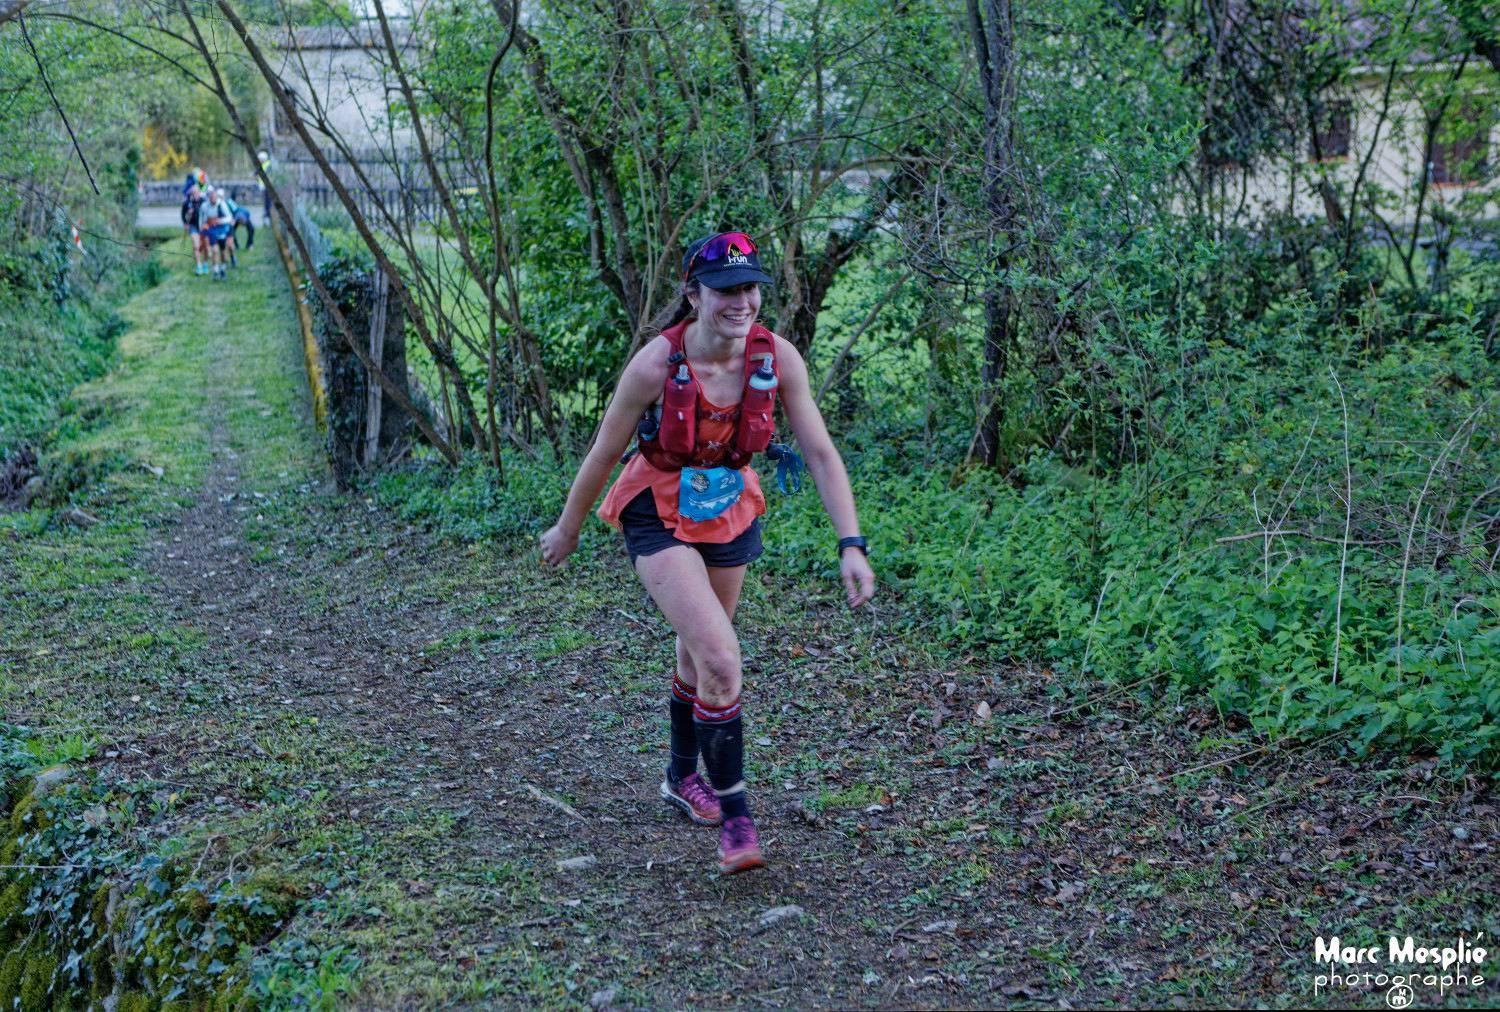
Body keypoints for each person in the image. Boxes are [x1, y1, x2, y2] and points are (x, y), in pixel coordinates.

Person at [539, 231, 875, 875]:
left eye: (749, 288)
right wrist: (569, 528)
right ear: (693, 295)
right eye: (724, 290)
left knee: (701, 653)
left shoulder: (777, 357)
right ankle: (737, 817)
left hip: (727, 506)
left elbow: (822, 454)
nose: (740, 301)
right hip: (656, 506)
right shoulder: (655, 365)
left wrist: (851, 543)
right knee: (722, 657)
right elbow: (605, 452)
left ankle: (677, 777)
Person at [197, 187, 234, 281]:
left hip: (222, 229)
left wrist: (219, 220)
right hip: (212, 230)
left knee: (223, 252)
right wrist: (202, 226)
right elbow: (201, 218)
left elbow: (229, 217)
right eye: (211, 197)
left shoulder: (222, 204)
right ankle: (215, 271)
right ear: (208, 197)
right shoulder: (204, 206)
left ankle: (223, 269)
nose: (213, 199)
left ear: (216, 197)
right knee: (214, 250)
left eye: (214, 197)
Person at [181, 184, 207, 276]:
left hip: (202, 226)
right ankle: (199, 266)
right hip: (192, 226)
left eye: (196, 192)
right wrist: (185, 223)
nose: (194, 194)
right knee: (196, 246)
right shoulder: (187, 202)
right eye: (193, 192)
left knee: (202, 247)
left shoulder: (204, 201)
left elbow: (207, 214)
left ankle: (205, 263)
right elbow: (183, 214)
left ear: (199, 192)